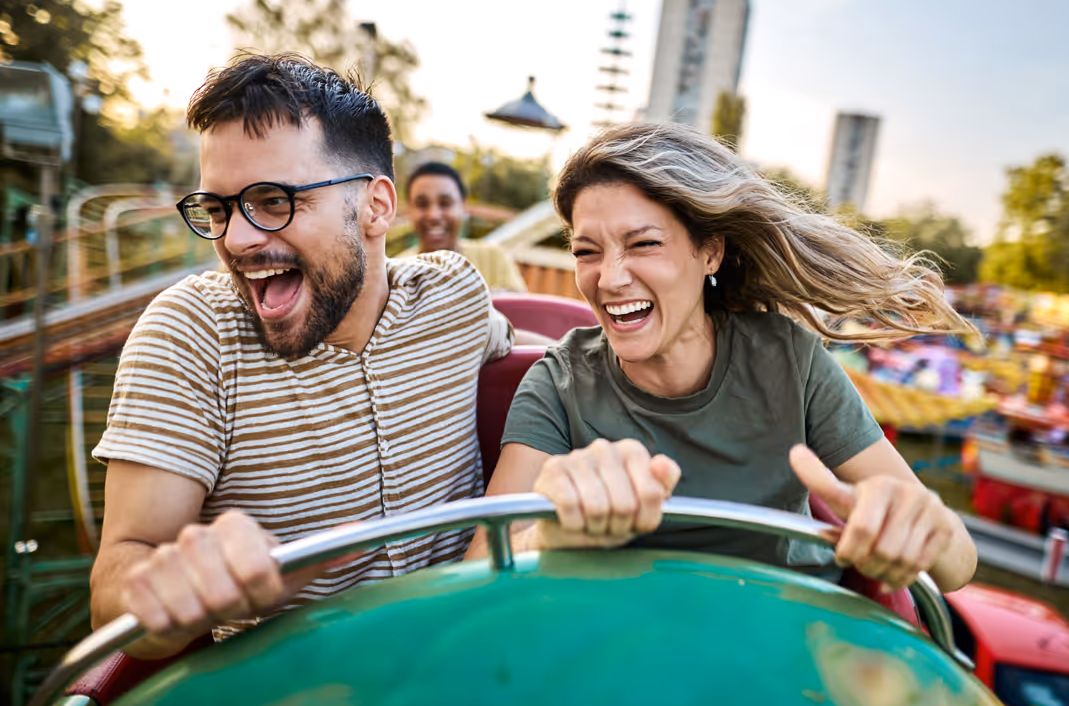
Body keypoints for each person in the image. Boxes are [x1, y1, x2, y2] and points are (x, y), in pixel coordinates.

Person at [89, 54, 513, 659]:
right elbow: (113, 590)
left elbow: (553, 358)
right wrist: (179, 589)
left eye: (273, 201)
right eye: (217, 210)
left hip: (464, 664)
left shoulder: (454, 296)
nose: (235, 239)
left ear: (376, 207)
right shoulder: (190, 336)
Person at [466, 122, 977, 596]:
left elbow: (957, 567)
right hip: (622, 645)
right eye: (586, 252)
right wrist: (551, 533)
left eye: (643, 243)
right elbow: (476, 575)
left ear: (710, 252)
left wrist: (917, 530)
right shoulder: (557, 383)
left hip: (781, 634)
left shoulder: (790, 361)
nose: (610, 277)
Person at [403, 161, 528, 292]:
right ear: (409, 210)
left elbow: (520, 308)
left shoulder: (493, 258)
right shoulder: (397, 273)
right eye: (422, 204)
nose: (434, 215)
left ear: (463, 207)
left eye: (445, 203)